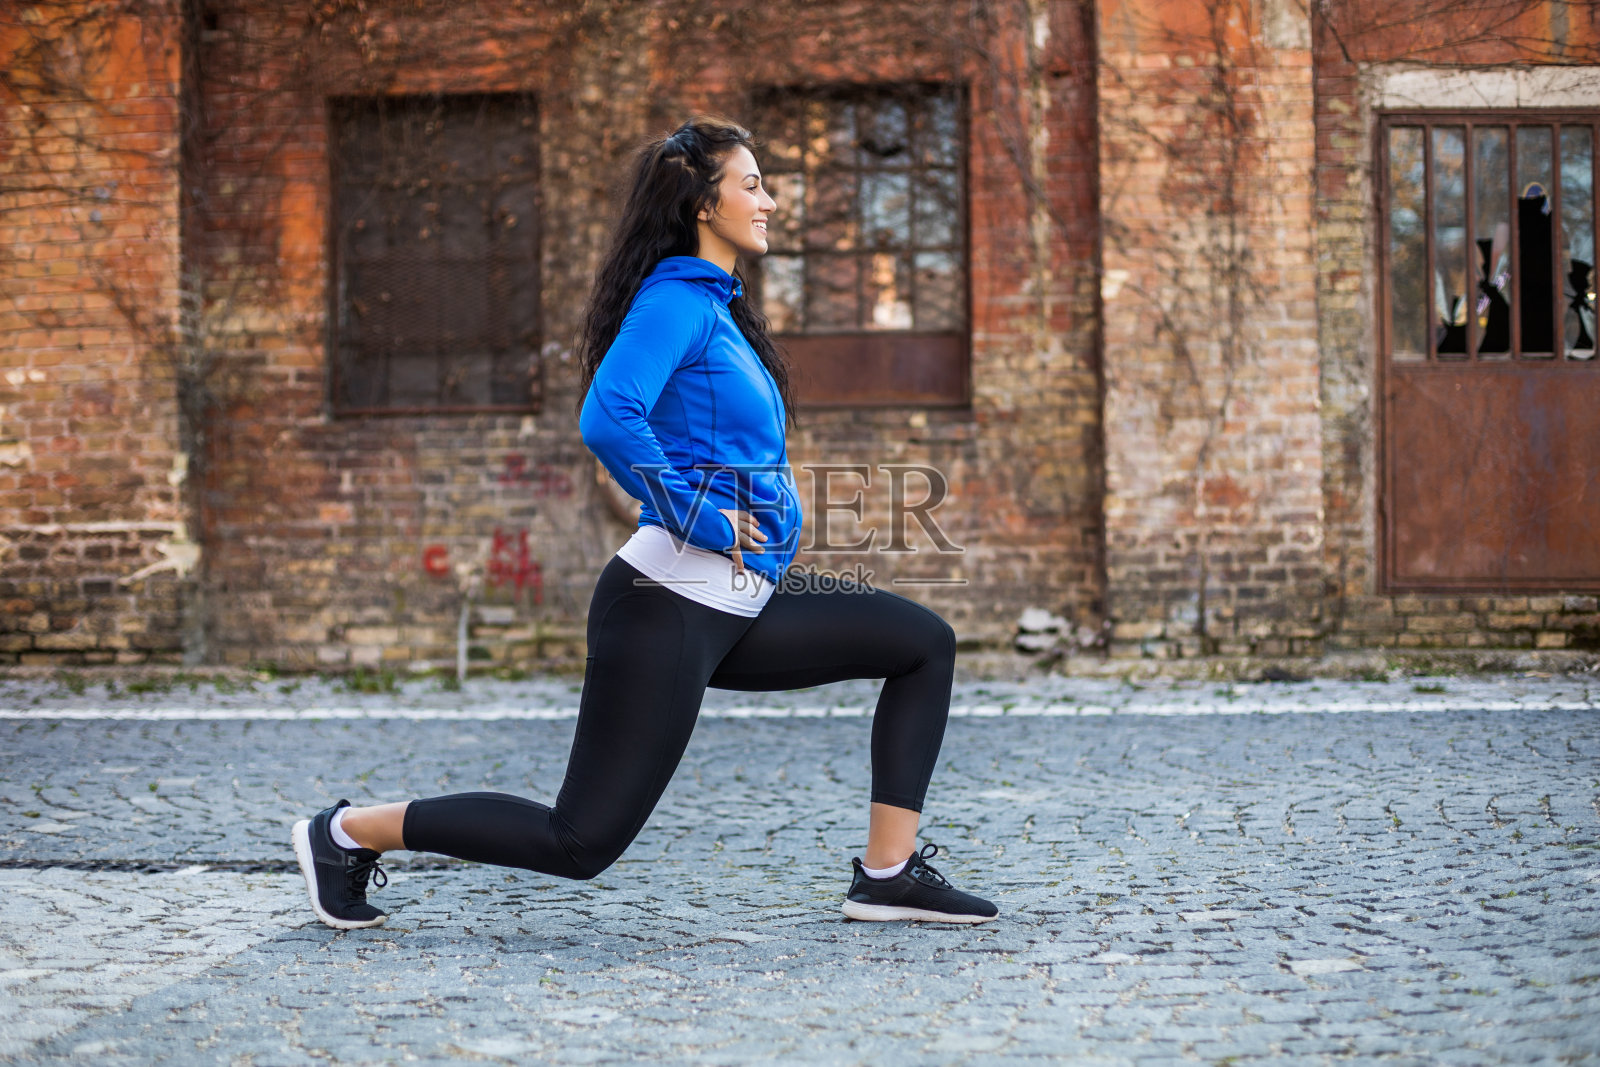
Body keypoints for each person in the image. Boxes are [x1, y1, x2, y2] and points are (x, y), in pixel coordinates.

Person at [292, 117, 997, 931]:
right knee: (579, 840)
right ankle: (346, 831)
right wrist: (695, 510)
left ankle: (889, 873)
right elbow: (608, 417)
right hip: (666, 604)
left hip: (739, 601)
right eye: (753, 184)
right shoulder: (674, 301)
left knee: (922, 644)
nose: (768, 200)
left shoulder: (715, 309)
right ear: (704, 203)